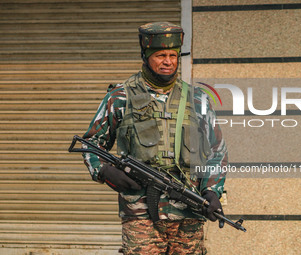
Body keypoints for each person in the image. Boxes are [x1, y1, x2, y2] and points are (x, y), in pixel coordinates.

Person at [82, 22, 228, 255]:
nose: (168, 61)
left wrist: (212, 191)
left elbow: (217, 151)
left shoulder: (198, 99)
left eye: (173, 55)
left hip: (188, 214)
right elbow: (90, 145)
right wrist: (104, 171)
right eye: (160, 55)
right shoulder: (121, 97)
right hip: (140, 214)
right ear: (146, 56)